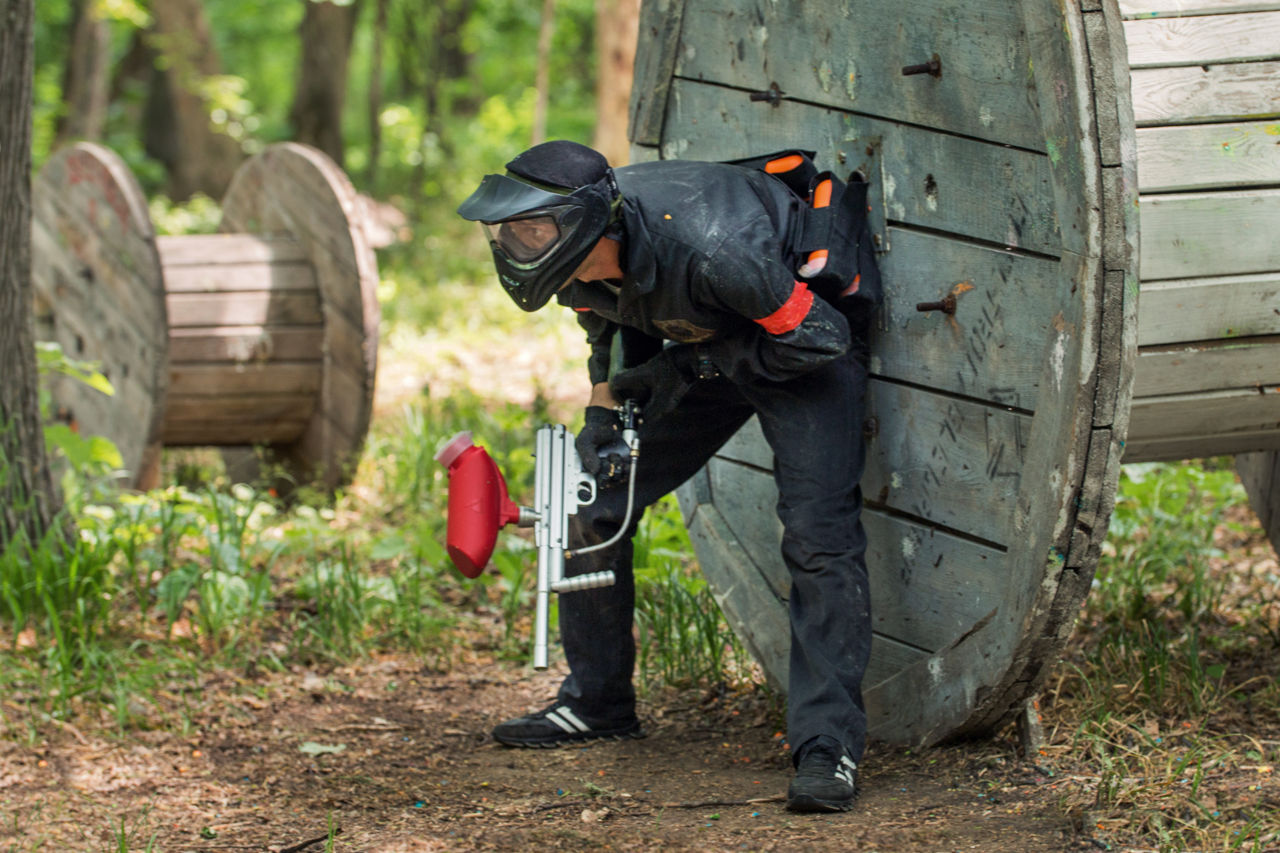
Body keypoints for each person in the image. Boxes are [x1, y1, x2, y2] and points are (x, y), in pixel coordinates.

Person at [456, 139, 880, 813]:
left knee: (817, 537)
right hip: (704, 342)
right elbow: (603, 329)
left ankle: (829, 745)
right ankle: (596, 702)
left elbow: (819, 336)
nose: (516, 244)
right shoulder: (569, 262)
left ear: (587, 223)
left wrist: (686, 369)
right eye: (510, 232)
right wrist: (602, 417)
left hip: (797, 351)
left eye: (530, 230)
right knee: (587, 495)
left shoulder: (716, 251)